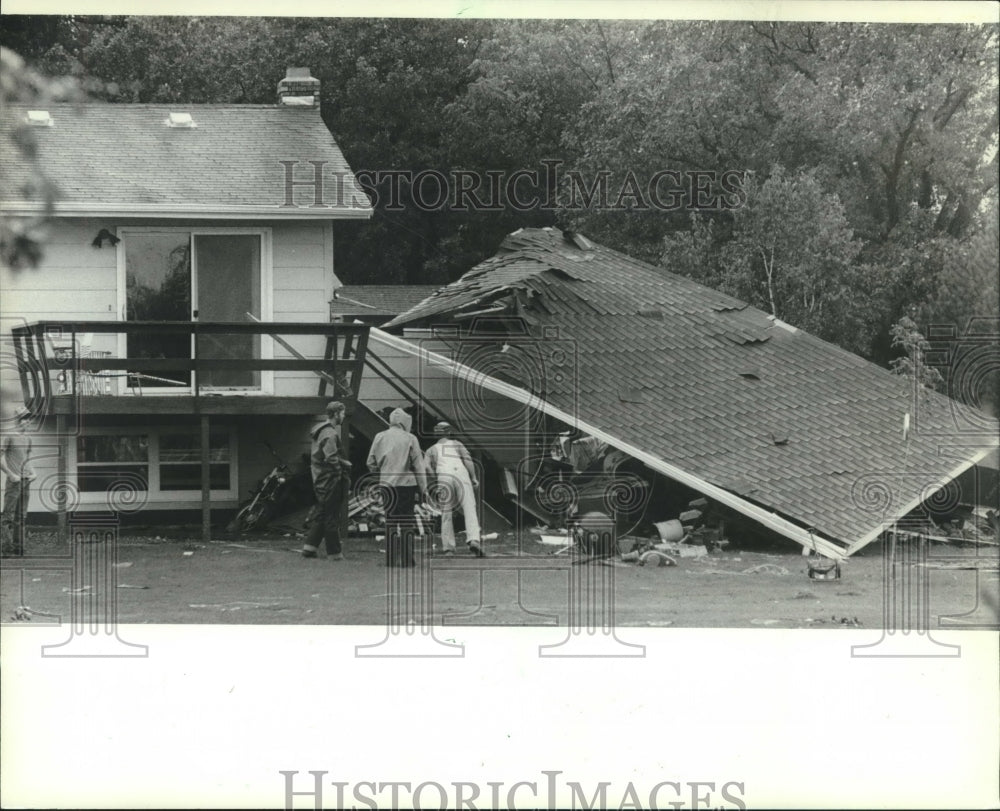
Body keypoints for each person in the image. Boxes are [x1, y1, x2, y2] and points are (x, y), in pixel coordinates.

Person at [366, 408, 427, 568]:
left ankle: (391, 560)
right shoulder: (410, 438)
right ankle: (407, 560)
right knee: (407, 522)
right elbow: (419, 465)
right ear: (405, 422)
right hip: (407, 485)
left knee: (391, 522)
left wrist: (382, 471)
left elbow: (370, 462)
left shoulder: (380, 437)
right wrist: (424, 488)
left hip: (387, 485)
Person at [425, 421, 484, 557]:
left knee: (446, 512)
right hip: (460, 473)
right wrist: (474, 477)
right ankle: (473, 539)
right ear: (449, 432)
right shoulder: (457, 444)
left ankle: (449, 548)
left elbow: (426, 467)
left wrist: (435, 479)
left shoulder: (431, 450)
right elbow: (467, 460)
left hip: (443, 475)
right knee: (469, 507)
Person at [301, 401, 351, 560]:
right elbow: (331, 458)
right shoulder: (330, 433)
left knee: (322, 514)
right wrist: (340, 471)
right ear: (336, 414)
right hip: (330, 481)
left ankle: (309, 548)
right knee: (331, 517)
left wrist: (344, 462)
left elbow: (322, 456)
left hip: (320, 479)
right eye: (342, 413)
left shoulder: (321, 431)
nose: (344, 416)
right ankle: (334, 553)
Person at [1, 407, 36, 557]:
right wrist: (10, 474)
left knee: (21, 517)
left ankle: (19, 548)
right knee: (8, 517)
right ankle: (6, 549)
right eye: (24, 419)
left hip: (26, 482)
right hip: (14, 482)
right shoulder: (8, 436)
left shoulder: (28, 438)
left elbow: (27, 460)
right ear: (18, 421)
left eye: (29, 419)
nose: (27, 421)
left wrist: (33, 472)